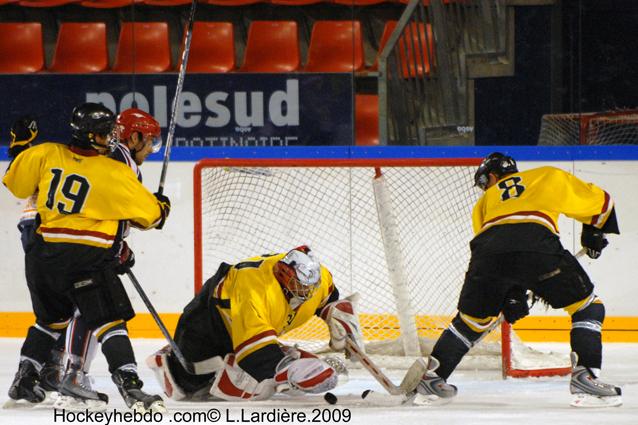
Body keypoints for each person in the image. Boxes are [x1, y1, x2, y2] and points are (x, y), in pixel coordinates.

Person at [412, 152, 622, 408]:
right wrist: (593, 230)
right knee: (588, 307)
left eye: (483, 183)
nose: (484, 188)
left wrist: (511, 292)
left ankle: (432, 379)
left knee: (471, 322)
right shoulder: (545, 175)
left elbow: (503, 251)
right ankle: (586, 378)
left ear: (491, 176)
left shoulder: (485, 202)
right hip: (536, 244)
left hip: (486, 253)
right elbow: (602, 203)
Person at [3, 103, 171, 412]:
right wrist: (160, 206)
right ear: (100, 136)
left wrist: (21, 149)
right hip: (84, 256)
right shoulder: (113, 171)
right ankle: (129, 386)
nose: (113, 139)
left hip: (42, 252)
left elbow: (15, 182)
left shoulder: (48, 152)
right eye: (109, 134)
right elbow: (150, 217)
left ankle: (27, 377)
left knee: (50, 320)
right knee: (109, 321)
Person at [51, 107, 164, 411]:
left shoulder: (107, 155)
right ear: (135, 136)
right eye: (150, 141)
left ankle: (65, 375)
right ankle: (76, 376)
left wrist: (117, 247)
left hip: (62, 245)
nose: (152, 149)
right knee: (98, 313)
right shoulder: (121, 162)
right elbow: (132, 211)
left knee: (81, 311)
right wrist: (157, 209)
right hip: (85, 248)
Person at [147, 245, 362, 401]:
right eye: (300, 287)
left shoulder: (317, 278)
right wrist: (288, 370)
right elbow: (252, 353)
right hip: (210, 320)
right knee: (189, 389)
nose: (308, 293)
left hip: (244, 326)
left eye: (310, 287)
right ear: (283, 276)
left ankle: (273, 362)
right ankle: (165, 361)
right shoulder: (255, 288)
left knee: (254, 383)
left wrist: (337, 315)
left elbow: (327, 298)